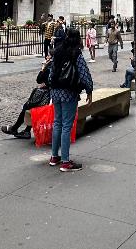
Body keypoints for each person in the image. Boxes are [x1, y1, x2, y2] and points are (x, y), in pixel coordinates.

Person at [47, 28, 93, 172]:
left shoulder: (58, 51)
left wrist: (51, 88)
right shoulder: (76, 53)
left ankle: (55, 157)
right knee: (67, 125)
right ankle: (66, 162)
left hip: (56, 91)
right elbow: (84, 73)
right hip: (69, 92)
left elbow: (51, 72)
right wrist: (89, 89)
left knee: (57, 122)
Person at [2, 59, 52, 139]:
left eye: (48, 55)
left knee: (28, 106)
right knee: (29, 106)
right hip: (53, 96)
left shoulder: (51, 65)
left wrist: (43, 68)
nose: (46, 57)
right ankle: (25, 130)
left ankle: (16, 129)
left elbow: (39, 80)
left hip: (48, 97)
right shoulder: (59, 63)